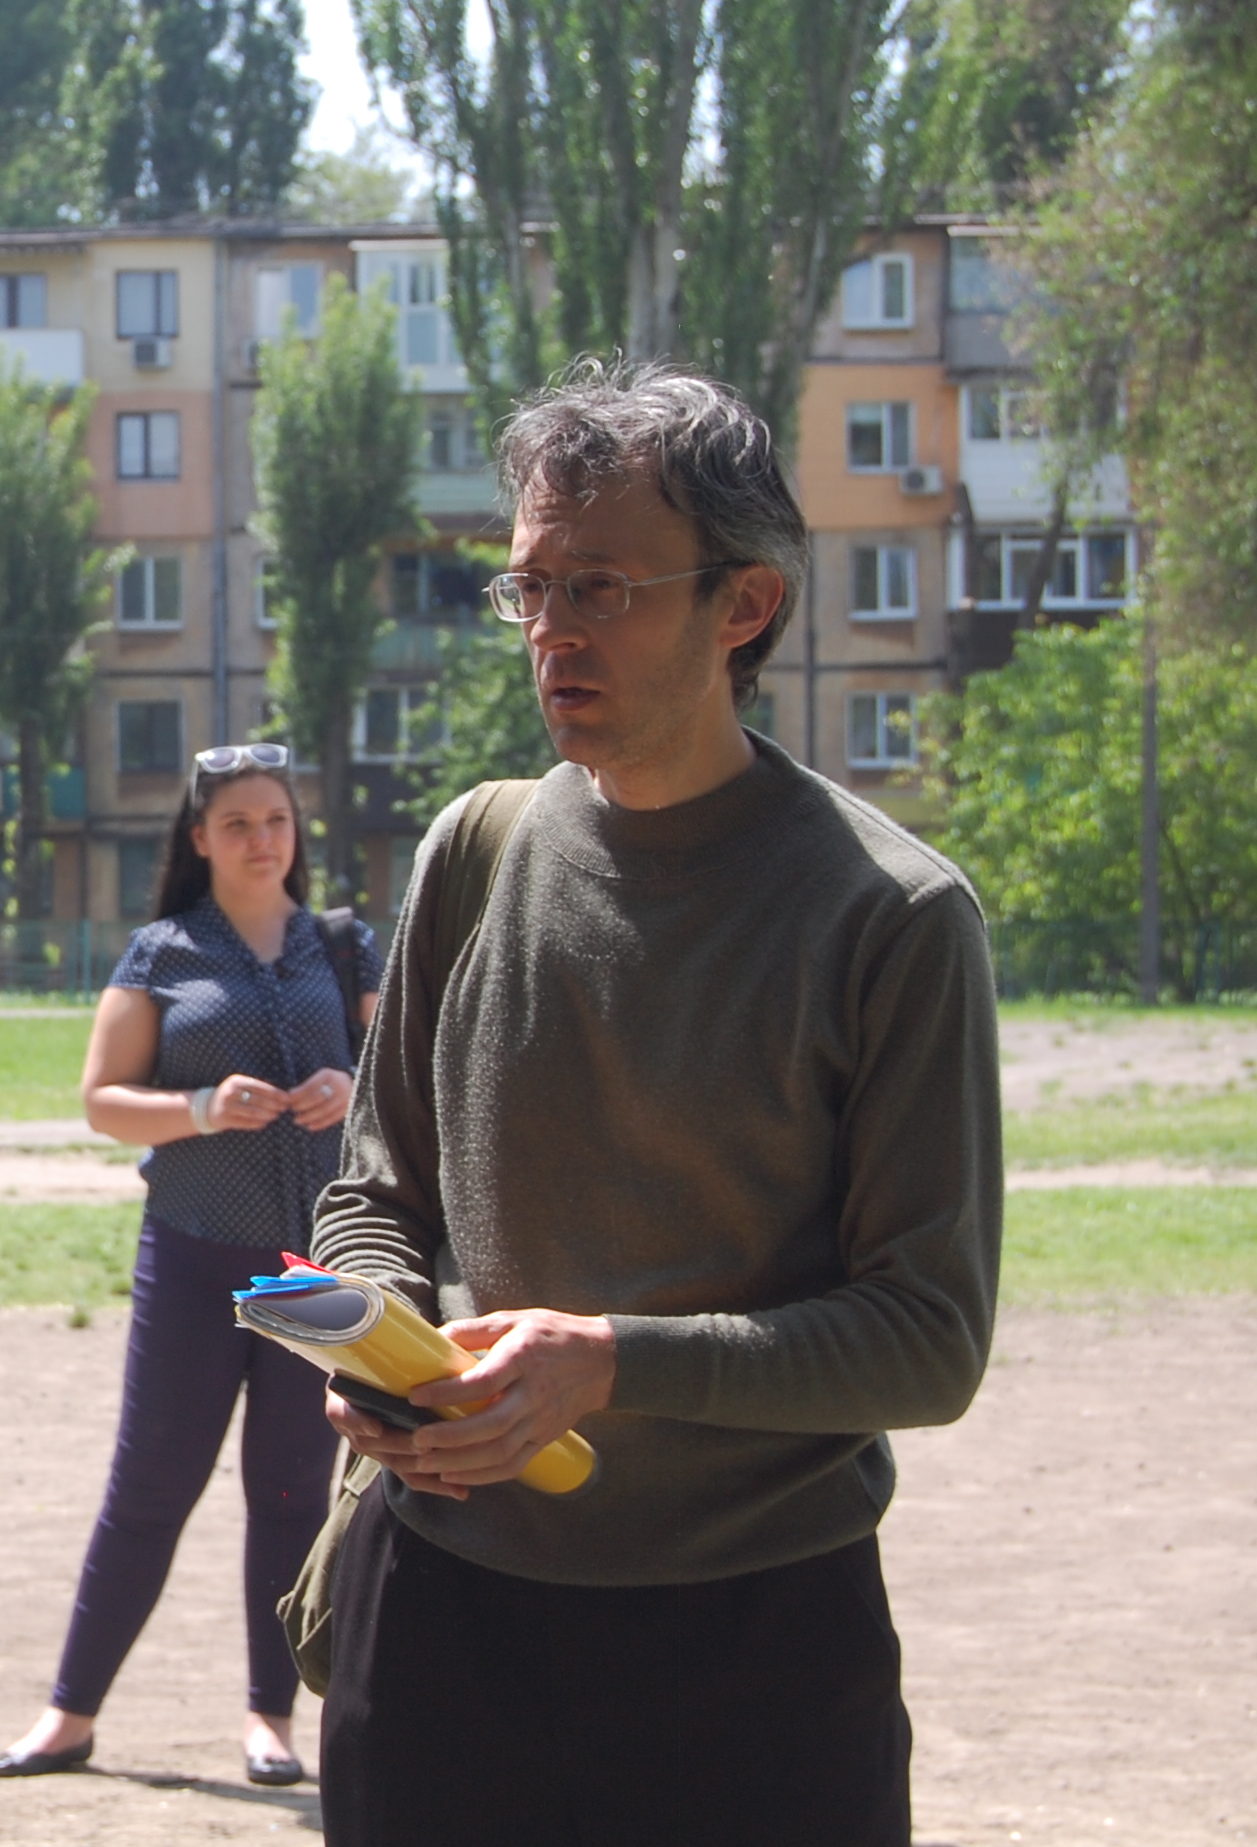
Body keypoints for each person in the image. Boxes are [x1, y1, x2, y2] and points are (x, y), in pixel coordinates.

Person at [307, 363, 1001, 1846]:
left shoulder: (891, 916)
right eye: (529, 587)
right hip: (439, 1619)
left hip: (752, 1657)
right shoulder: (474, 851)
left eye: (601, 588)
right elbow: (376, 1191)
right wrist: (380, 1343)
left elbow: (927, 1338)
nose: (551, 631)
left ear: (743, 604)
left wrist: (610, 1362)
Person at [0, 743, 380, 1788]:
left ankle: (270, 1718)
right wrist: (202, 1107)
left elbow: (399, 1077)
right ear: (199, 838)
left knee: (292, 1492)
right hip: (194, 1256)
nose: (262, 840)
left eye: (276, 820)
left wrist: (351, 1087)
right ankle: (69, 1714)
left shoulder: (343, 946)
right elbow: (101, 1100)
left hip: (315, 1268)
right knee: (149, 1489)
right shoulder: (161, 951)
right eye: (238, 823)